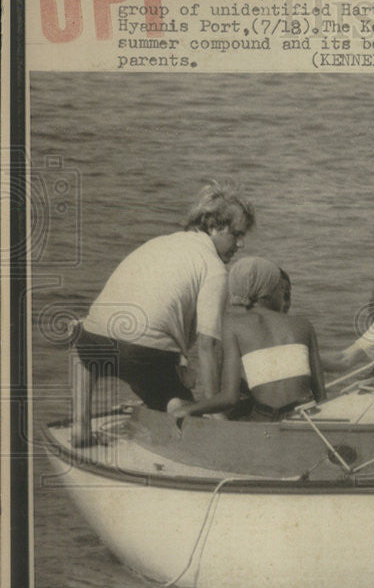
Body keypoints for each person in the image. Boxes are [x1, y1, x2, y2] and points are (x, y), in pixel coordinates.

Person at [70, 180, 254, 445]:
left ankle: (80, 426)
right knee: (171, 396)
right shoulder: (214, 268)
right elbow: (207, 346)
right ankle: (193, 429)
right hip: (142, 353)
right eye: (236, 235)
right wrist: (214, 408)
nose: (241, 244)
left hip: (92, 340)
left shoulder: (161, 242)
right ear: (213, 226)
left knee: (85, 351)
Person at [169, 257, 325, 421]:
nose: (285, 298)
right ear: (268, 292)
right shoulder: (304, 324)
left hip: (266, 418)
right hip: (306, 416)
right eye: (281, 290)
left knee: (187, 406)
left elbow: (230, 397)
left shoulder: (233, 325)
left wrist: (188, 410)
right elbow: (321, 395)